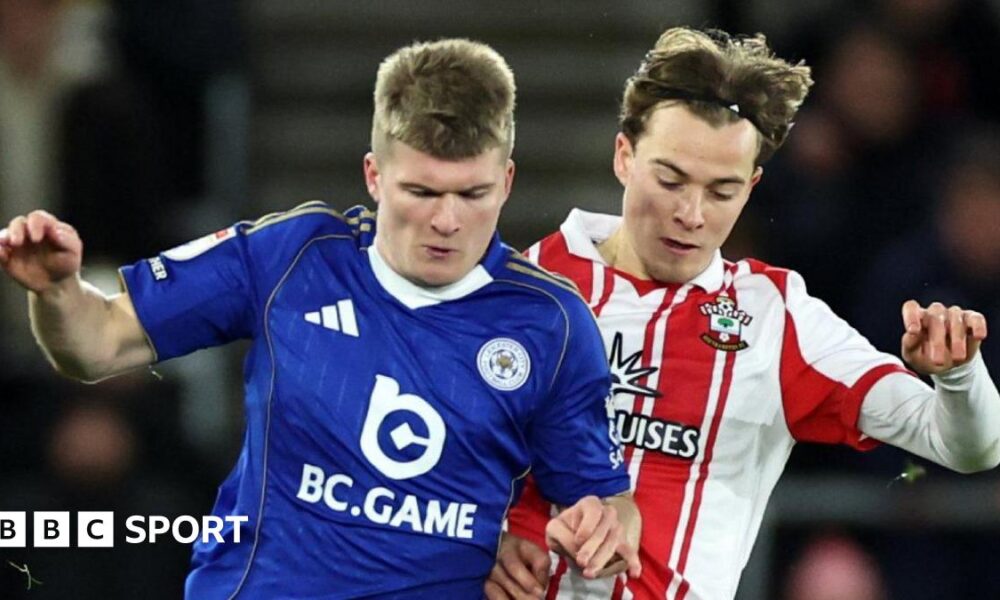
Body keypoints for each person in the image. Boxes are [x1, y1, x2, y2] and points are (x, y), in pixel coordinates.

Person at [0, 38, 641, 598]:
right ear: (374, 176)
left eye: (472, 194)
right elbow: (96, 344)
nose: (447, 221)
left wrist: (600, 530)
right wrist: (56, 291)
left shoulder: (550, 324)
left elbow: (606, 501)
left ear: (506, 181)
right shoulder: (293, 257)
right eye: (420, 192)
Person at [486, 27, 999, 600]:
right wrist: (488, 545)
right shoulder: (515, 289)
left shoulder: (776, 320)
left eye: (721, 191)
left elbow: (971, 447)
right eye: (671, 179)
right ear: (624, 157)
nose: (691, 213)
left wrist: (958, 374)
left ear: (752, 185)